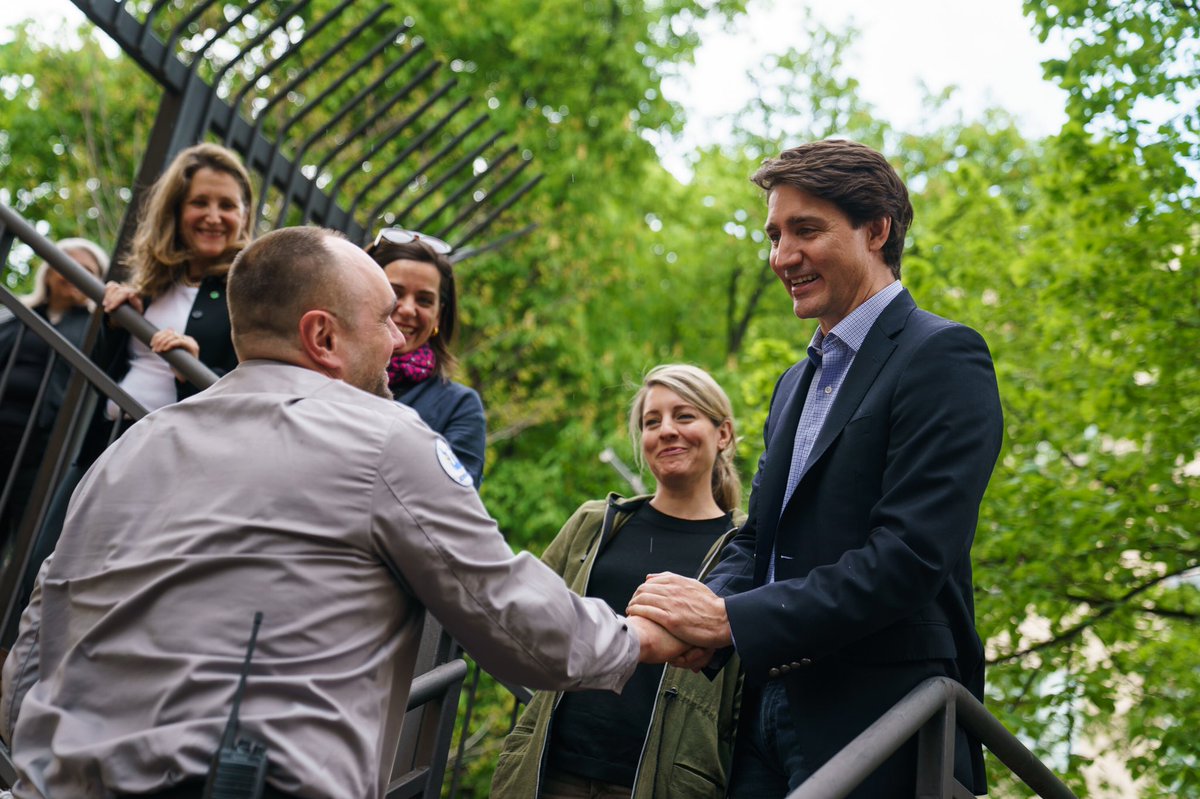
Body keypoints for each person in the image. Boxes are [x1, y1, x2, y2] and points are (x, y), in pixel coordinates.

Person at [0, 226, 687, 799]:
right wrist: (634, 639)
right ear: (323, 336)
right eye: (384, 316)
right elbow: (502, 605)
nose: (399, 338)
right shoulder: (384, 439)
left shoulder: (131, 448)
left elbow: (40, 627)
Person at [627, 140, 1004, 798]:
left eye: (806, 230)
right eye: (774, 235)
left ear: (877, 230)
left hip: (883, 713)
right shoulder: (794, 384)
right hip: (767, 709)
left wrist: (732, 620)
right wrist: (692, 614)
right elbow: (757, 537)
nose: (782, 256)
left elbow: (909, 557)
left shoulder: (943, 355)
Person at [492, 364, 746, 799]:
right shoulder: (595, 523)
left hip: (665, 784)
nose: (667, 430)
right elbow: (525, 617)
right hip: (549, 770)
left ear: (722, 434)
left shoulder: (743, 547)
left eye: (684, 416)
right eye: (652, 422)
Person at [96, 141, 251, 430]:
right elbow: (94, 372)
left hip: (174, 443)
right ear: (175, 210)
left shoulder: (252, 295)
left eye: (227, 205)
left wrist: (192, 370)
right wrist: (115, 324)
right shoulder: (151, 285)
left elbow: (249, 393)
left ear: (244, 216)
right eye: (199, 202)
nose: (213, 217)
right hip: (107, 434)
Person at [0, 239, 109, 544]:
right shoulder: (14, 315)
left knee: (28, 536)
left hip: (43, 449)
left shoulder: (97, 328)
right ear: (48, 273)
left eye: (88, 271)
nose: (75, 274)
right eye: (68, 265)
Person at [365, 228, 486, 485]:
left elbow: (450, 500)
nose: (408, 309)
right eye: (394, 293)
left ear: (438, 316)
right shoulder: (321, 372)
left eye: (424, 300)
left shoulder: (458, 407)